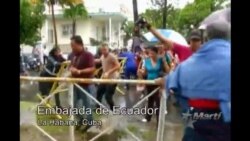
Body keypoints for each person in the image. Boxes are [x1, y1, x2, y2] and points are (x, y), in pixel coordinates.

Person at [69, 35, 96, 132]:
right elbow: (71, 66)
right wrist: (71, 69)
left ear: (80, 44)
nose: (72, 47)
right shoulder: (73, 55)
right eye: (71, 45)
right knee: (73, 104)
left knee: (86, 105)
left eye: (73, 45)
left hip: (85, 85)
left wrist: (80, 71)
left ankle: (90, 122)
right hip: (75, 84)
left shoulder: (88, 55)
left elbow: (92, 68)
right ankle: (80, 119)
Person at [137, 46, 169, 125]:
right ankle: (148, 117)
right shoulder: (147, 61)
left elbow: (168, 70)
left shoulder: (160, 60)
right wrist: (141, 72)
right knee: (150, 100)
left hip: (158, 82)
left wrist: (164, 62)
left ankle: (159, 121)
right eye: (149, 53)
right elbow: (145, 72)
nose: (150, 55)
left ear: (156, 53)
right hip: (149, 82)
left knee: (158, 102)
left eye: (152, 53)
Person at [95, 43, 120, 110]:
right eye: (102, 50)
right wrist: (92, 61)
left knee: (108, 96)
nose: (104, 51)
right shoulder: (102, 56)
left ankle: (113, 108)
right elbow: (100, 61)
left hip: (112, 79)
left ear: (108, 49)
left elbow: (118, 66)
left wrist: (109, 72)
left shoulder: (112, 56)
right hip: (105, 78)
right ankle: (98, 108)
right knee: (99, 92)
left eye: (105, 50)